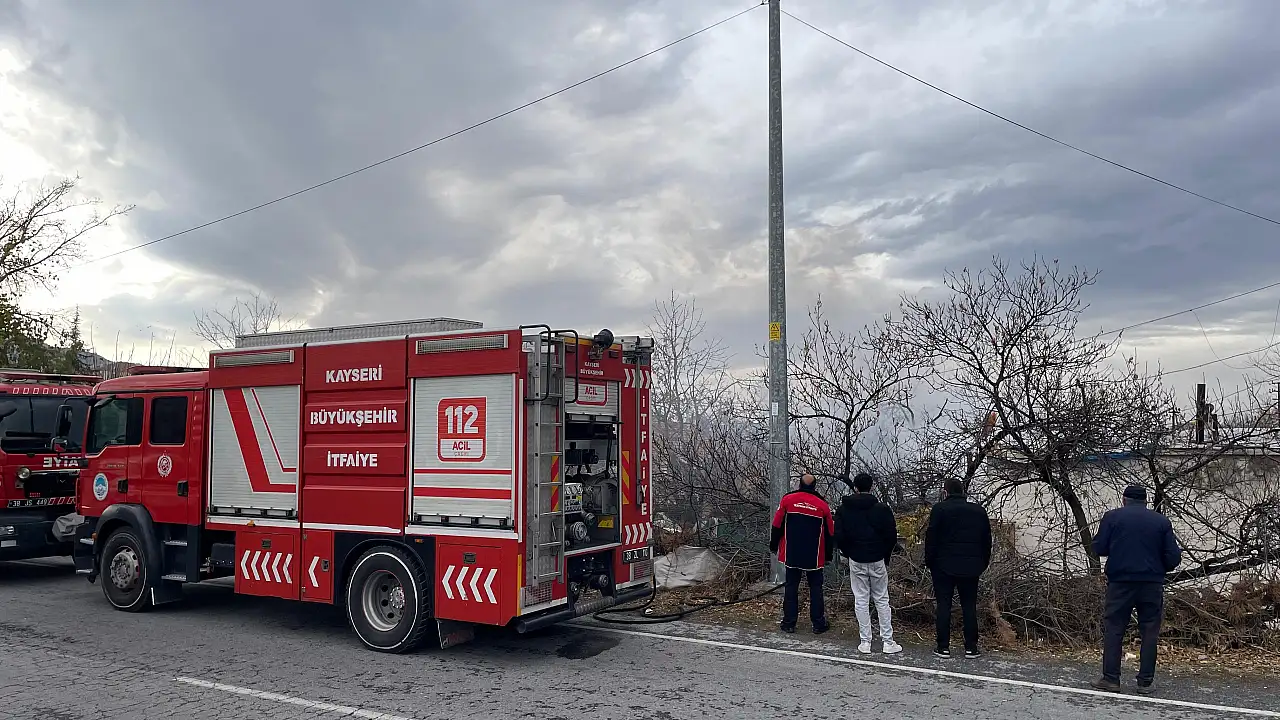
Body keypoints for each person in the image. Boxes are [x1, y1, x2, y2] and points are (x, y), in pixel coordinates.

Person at [1090, 485, 1182, 695]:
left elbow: (1099, 548)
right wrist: (1158, 570)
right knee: (1149, 630)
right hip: (1151, 584)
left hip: (1120, 583)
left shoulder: (1112, 518)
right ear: (1145, 501)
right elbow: (1173, 557)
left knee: (1114, 628)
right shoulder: (1161, 521)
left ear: (1124, 500)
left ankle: (1111, 678)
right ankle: (1145, 682)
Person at [834, 472, 902, 654]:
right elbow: (891, 536)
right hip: (877, 558)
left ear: (855, 487)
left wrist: (847, 552)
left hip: (855, 558)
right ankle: (888, 642)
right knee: (882, 599)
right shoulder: (882, 509)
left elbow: (838, 535)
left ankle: (865, 641)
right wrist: (884, 555)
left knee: (861, 599)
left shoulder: (844, 509)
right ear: (871, 487)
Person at [924, 478, 992, 659]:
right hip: (971, 566)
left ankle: (943, 647)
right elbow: (986, 541)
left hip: (943, 566)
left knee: (944, 605)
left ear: (945, 492)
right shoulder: (979, 511)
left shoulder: (939, 509)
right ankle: (971, 647)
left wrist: (930, 562)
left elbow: (932, 538)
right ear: (963, 492)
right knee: (969, 606)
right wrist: (982, 563)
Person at [770, 473, 835, 634]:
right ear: (814, 486)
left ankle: (789, 623)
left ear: (799, 484)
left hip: (792, 553)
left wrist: (773, 545)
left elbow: (777, 524)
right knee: (816, 588)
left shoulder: (787, 500)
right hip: (814, 556)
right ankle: (818, 624)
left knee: (791, 587)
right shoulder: (823, 505)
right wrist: (828, 556)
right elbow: (830, 533)